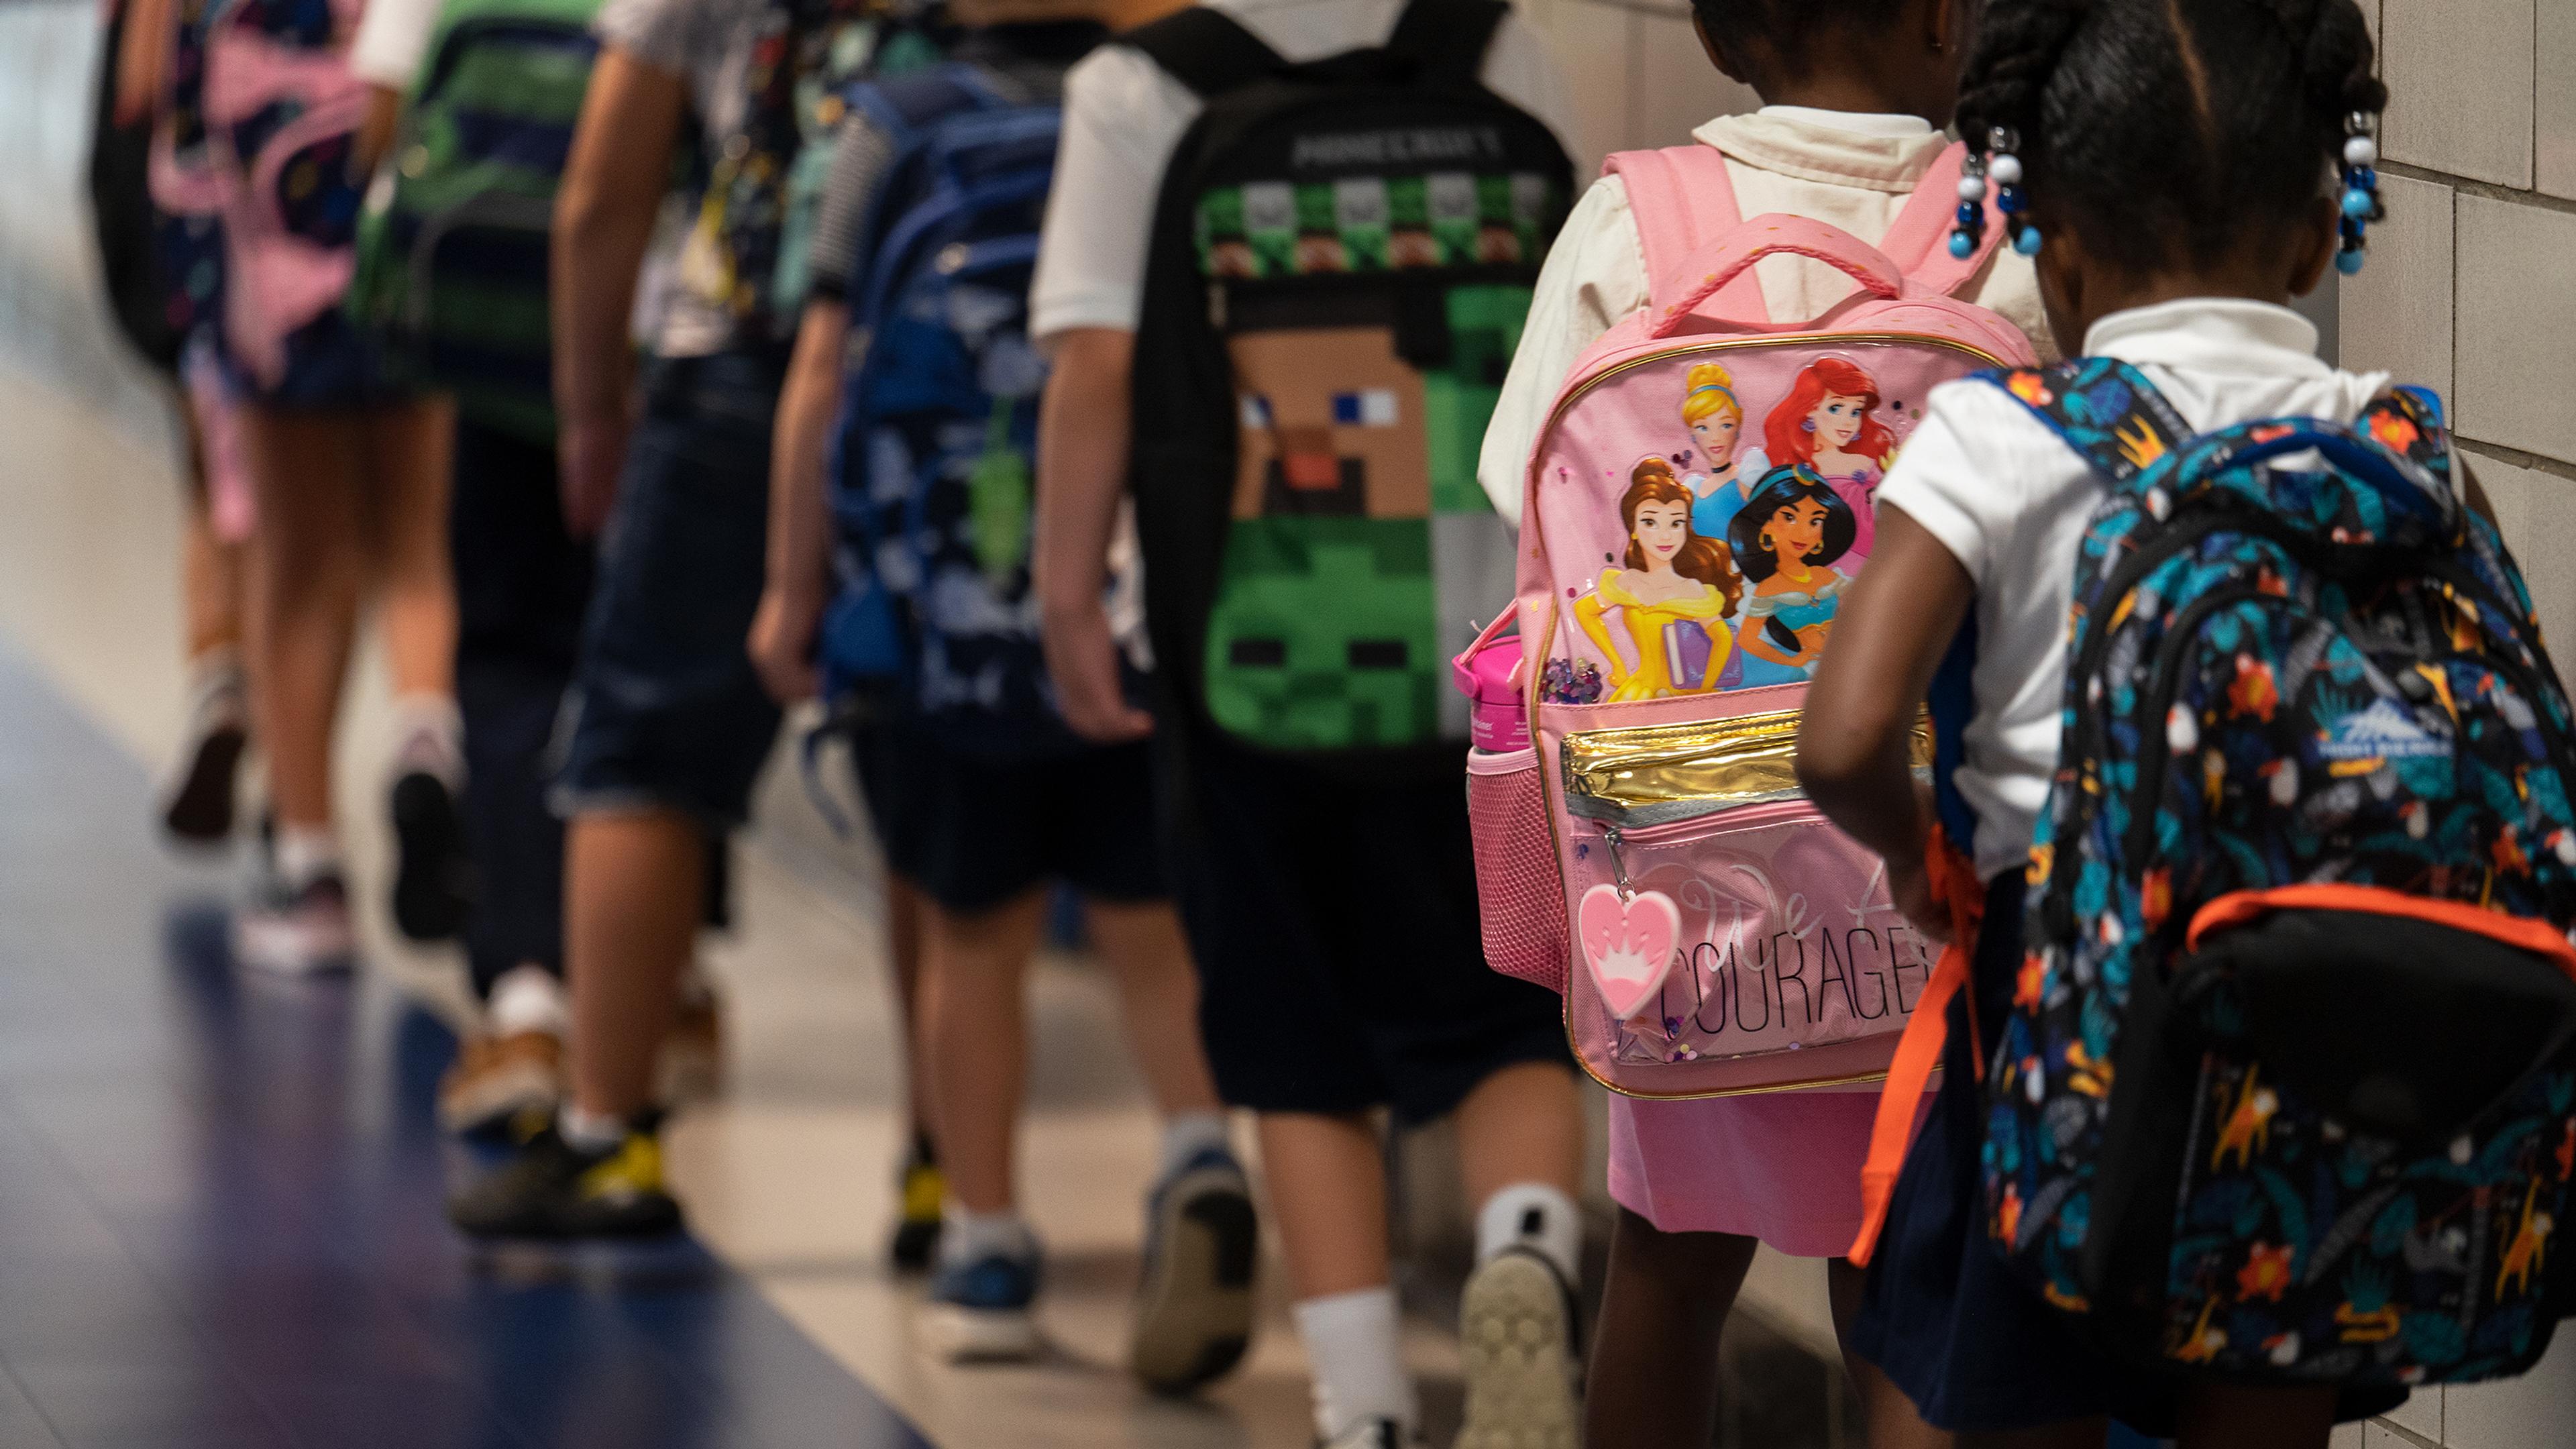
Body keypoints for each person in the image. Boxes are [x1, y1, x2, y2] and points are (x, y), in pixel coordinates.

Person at [1794, 0, 2409, 1444]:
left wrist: (1912, 859)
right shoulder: (2391, 443)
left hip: (2060, 1007)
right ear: (2324, 237)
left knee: (1986, 1381)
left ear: (2047, 243)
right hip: (2323, 1015)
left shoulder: (2001, 433)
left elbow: (1843, 737)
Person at [1471, 1, 2051, 1445]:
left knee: (1666, 1277)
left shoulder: (1629, 222)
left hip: (1679, 883)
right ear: (1938, 19)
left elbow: (1519, 484)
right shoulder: (2003, 231)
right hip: (1924, 871)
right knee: (1901, 1284)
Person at [1030, 4, 1589, 1445]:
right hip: (1485, 648)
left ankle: (1364, 1412)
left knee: (1291, 1036)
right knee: (1505, 1004)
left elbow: (1095, 369)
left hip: (1252, 642)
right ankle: (1526, 1251)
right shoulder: (1487, 40)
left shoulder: (1138, 85)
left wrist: (1069, 596)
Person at [749, 0, 1260, 1379]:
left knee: (974, 935)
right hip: (1125, 591)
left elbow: (818, 374)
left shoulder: (887, 127)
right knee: (1152, 922)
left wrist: (794, 588)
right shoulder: (1147, 107)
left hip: (944, 615)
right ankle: (1203, 1150)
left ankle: (983, 1241)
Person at [446, 0, 885, 1238]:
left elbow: (602, 189)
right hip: (941, 368)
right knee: (922, 768)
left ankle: (610, 1135)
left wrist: (588, 408)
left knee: (638, 752)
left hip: (738, 361)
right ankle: (951, 1184)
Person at [162, 0, 471, 975]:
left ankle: (311, 870)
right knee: (418, 537)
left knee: (298, 564)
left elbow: (152, 85)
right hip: (401, 158)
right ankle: (427, 741)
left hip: (271, 199)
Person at [97, 0, 254, 849]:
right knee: (318, 531)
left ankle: (219, 678)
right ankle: (306, 807)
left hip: (204, 204)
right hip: (323, 204)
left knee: (214, 475)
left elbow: (140, 90)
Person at [1572, 460, 1741, 700]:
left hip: (1683, 693)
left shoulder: (1690, 588)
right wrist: (1618, 665)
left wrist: (1705, 687)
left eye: (1676, 523)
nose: (1665, 535)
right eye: (1650, 522)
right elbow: (1584, 610)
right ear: (1633, 528)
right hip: (1641, 690)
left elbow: (1722, 638)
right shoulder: (1629, 581)